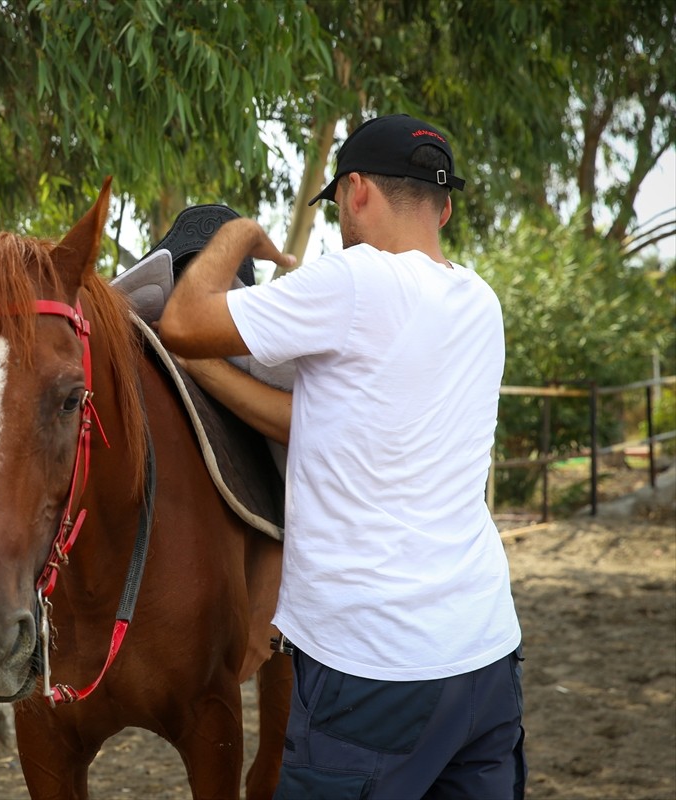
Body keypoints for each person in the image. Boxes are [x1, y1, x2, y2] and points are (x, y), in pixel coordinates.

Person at [157, 114, 525, 799]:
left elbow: (183, 319)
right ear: (443, 205)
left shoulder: (354, 281)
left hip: (373, 668)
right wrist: (206, 372)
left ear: (356, 192)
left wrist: (235, 234)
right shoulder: (481, 303)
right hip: (484, 656)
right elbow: (322, 423)